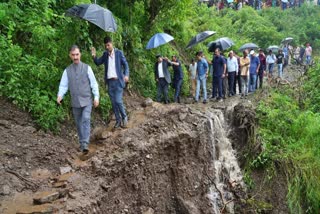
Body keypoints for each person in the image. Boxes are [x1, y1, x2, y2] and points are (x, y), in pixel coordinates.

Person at [57, 45, 99, 153]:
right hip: (75, 102)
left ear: (80, 54)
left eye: (77, 54)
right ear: (70, 56)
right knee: (78, 123)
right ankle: (82, 143)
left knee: (86, 119)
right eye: (73, 55)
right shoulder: (67, 71)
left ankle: (85, 143)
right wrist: (60, 95)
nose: (75, 57)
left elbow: (94, 83)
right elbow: (63, 86)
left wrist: (96, 97)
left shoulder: (87, 68)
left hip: (87, 100)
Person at [91, 36, 129, 129]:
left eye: (108, 45)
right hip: (110, 82)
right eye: (106, 46)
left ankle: (124, 117)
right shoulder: (105, 54)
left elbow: (126, 65)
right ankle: (118, 120)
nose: (107, 47)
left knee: (118, 101)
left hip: (118, 81)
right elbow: (98, 62)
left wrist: (126, 75)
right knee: (113, 103)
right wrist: (94, 56)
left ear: (112, 43)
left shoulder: (119, 53)